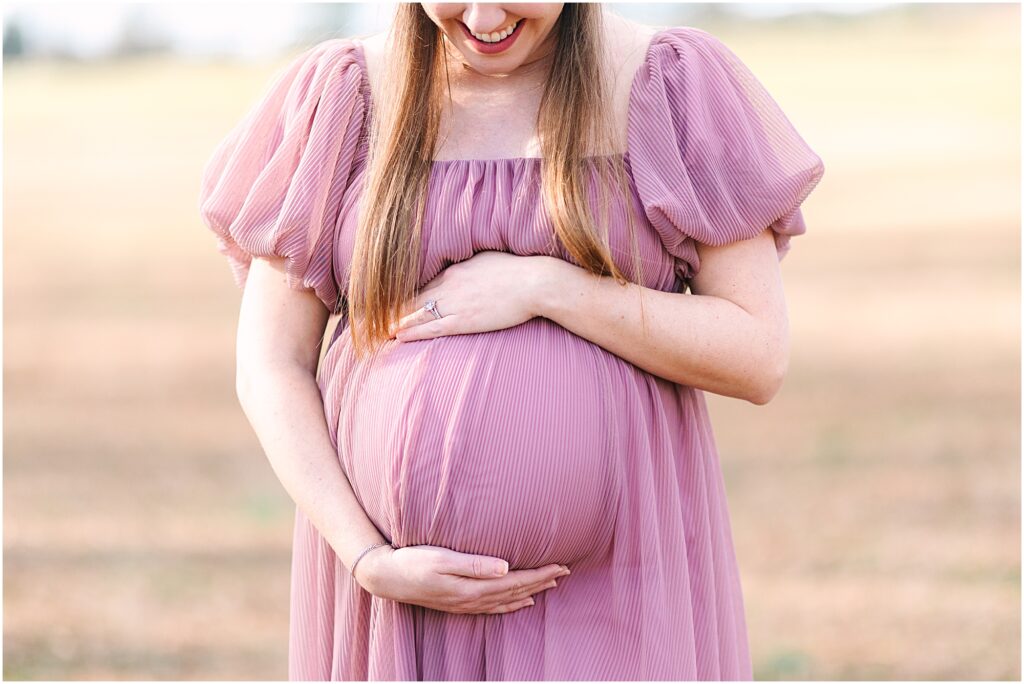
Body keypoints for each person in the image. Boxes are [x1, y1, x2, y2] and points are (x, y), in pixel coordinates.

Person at [198, 2, 824, 680]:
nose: (484, 14)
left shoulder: (665, 83)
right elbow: (270, 363)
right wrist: (367, 558)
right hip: (399, 608)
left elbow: (757, 354)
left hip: (618, 590)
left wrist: (550, 288)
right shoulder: (345, 97)